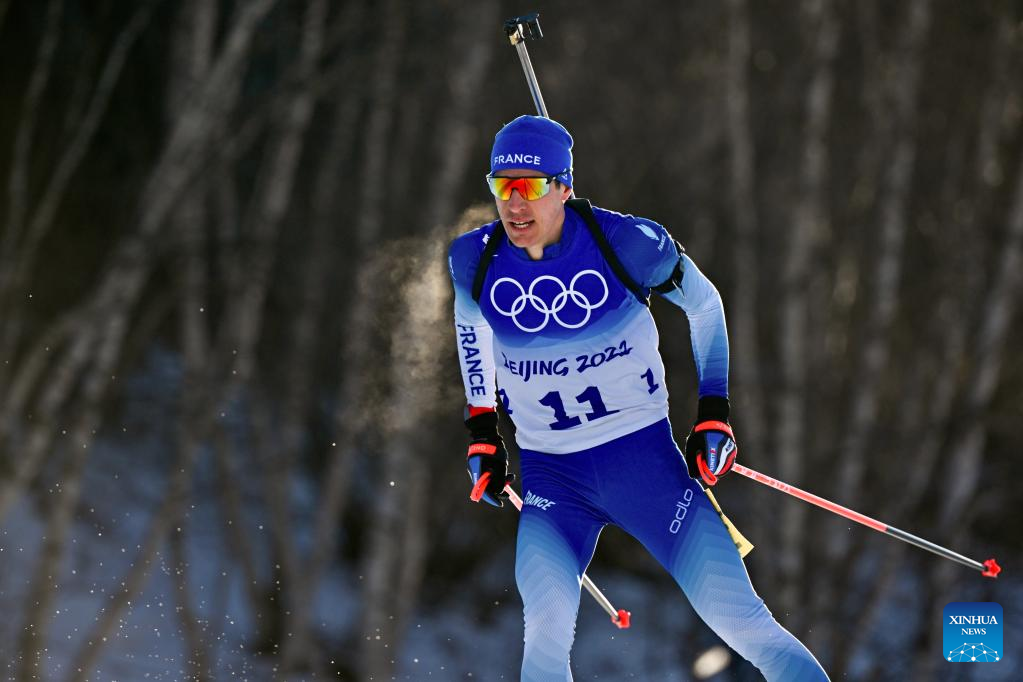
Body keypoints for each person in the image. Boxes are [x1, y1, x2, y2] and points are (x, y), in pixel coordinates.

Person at [447, 115, 829, 682]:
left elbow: (706, 307)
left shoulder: (627, 243)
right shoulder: (474, 261)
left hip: (646, 469)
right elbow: (470, 334)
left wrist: (714, 415)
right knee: (545, 632)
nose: (514, 204)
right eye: (502, 186)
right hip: (554, 482)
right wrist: (483, 431)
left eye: (529, 186)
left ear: (563, 187)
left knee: (747, 627)